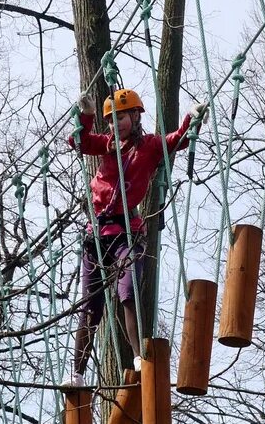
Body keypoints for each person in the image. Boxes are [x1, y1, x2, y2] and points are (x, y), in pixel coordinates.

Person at [67, 88, 207, 386]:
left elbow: (175, 140)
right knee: (90, 306)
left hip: (126, 234)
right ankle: (77, 374)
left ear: (135, 116)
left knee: (127, 293)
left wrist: (189, 121)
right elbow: (78, 141)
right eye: (112, 119)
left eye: (123, 116)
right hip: (96, 236)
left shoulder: (149, 147)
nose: (117, 123)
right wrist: (86, 116)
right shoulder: (106, 144)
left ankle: (136, 356)